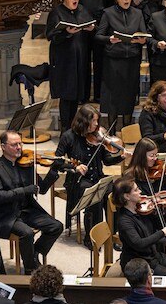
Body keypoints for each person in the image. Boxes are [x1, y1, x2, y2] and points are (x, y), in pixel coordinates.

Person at [0, 131, 62, 274]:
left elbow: (42, 189)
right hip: (6, 215)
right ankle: (30, 269)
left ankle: (34, 253)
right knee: (27, 233)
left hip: (27, 210)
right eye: (15, 145)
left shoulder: (26, 164)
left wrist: (54, 170)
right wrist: (24, 190)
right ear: (3, 146)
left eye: (20, 143)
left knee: (56, 226)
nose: (19, 147)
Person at [54, 104, 127, 247]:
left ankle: (113, 234)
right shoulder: (68, 136)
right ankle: (92, 237)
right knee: (95, 197)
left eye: (96, 121)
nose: (96, 124)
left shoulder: (98, 136)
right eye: (93, 121)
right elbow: (57, 162)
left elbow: (106, 160)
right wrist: (74, 167)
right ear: (83, 121)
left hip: (98, 176)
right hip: (78, 180)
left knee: (116, 193)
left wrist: (121, 157)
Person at [96, 0, 147, 129]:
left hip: (131, 59)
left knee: (129, 94)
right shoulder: (108, 13)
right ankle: (112, 130)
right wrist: (109, 39)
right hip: (113, 59)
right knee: (113, 95)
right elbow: (99, 36)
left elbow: (143, 33)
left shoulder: (138, 13)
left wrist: (142, 40)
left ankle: (127, 128)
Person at [45, 0, 94, 133]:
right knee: (66, 96)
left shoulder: (82, 10)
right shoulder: (56, 13)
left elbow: (91, 26)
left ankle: (74, 129)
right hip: (64, 61)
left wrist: (90, 28)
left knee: (76, 95)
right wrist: (67, 33)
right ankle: (65, 130)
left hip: (79, 59)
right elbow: (50, 36)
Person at [111, 179, 166, 279]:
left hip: (153, 255)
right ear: (127, 196)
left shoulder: (141, 209)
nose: (140, 192)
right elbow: (139, 244)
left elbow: (160, 224)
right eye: (136, 190)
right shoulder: (124, 221)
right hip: (139, 264)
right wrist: (162, 233)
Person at [67, 0, 110, 103]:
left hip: (98, 19)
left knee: (99, 59)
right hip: (79, 21)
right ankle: (83, 95)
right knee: (82, 60)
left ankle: (98, 95)